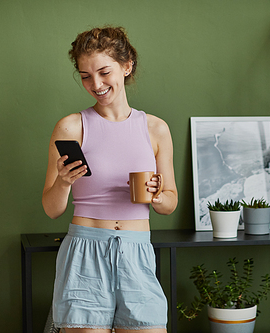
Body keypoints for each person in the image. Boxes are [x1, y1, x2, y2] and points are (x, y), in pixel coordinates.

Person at [42, 26, 177, 333]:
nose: (96, 84)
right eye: (86, 75)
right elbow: (51, 209)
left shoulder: (155, 129)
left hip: (137, 252)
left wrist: (157, 195)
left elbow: (169, 203)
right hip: (85, 252)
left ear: (127, 66)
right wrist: (63, 182)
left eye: (104, 72)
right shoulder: (70, 127)